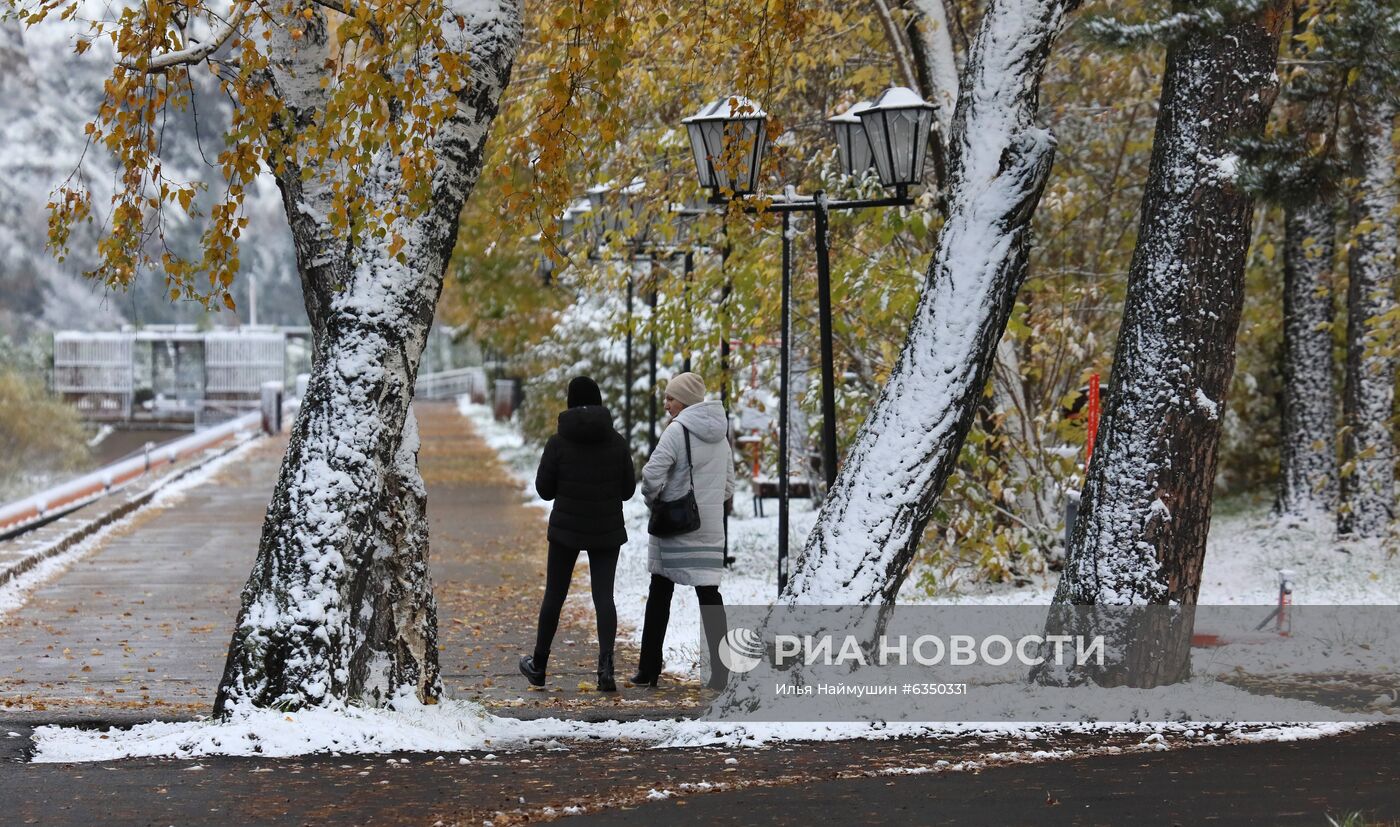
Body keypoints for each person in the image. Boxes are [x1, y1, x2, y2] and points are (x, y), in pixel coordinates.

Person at [520, 376, 635, 692]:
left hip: (566, 532)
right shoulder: (617, 441)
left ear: (570, 402)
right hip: (606, 530)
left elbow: (544, 490)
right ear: (599, 401)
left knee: (554, 595)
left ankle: (539, 666)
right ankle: (606, 670)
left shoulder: (558, 442)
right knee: (603, 597)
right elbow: (627, 491)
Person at [633, 371, 735, 690]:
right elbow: (729, 486)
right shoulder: (721, 435)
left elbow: (651, 475)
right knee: (709, 594)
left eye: (670, 398)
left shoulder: (677, 431)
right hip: (708, 529)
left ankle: (648, 670)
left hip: (675, 529)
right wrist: (706, 502)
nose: (666, 404)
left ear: (685, 401)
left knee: (660, 591)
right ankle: (721, 672)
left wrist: (658, 500)